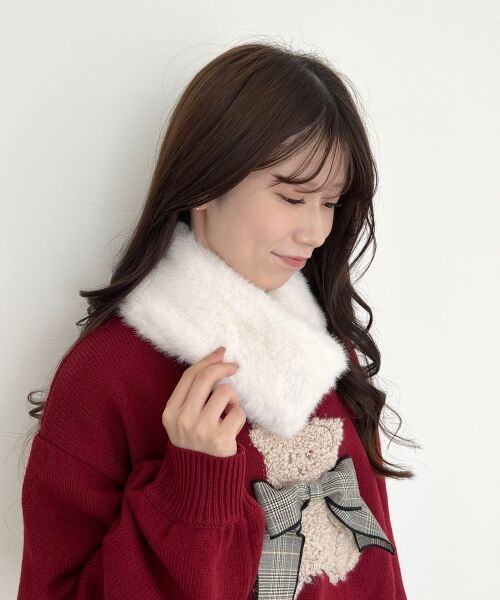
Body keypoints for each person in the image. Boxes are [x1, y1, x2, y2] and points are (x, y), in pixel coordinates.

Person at [17, 40, 417, 599]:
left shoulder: (326, 350)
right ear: (206, 184)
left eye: (330, 202)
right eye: (292, 197)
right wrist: (192, 487)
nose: (316, 231)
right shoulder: (107, 374)